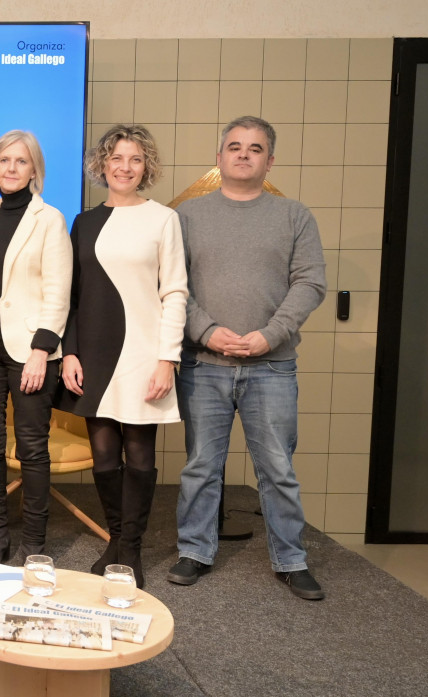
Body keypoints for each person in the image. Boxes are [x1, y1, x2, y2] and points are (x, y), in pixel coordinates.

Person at [169, 115, 327, 600]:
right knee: (201, 466)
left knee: (277, 468)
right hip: (204, 363)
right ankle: (194, 552)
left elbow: (310, 283)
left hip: (271, 366)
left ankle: (291, 559)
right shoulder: (187, 217)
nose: (243, 154)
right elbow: (174, 285)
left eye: (254, 148)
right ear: (219, 158)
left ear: (269, 161)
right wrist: (208, 331)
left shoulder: (294, 216)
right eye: (234, 146)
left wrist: (269, 335)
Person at [58, 124, 187, 589]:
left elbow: (175, 291)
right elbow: (72, 297)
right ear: (102, 165)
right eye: (117, 158)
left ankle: (130, 548)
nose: (125, 167)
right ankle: (116, 539)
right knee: (104, 454)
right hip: (93, 353)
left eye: (135, 159)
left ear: (146, 167)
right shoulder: (84, 222)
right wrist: (68, 353)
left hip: (144, 352)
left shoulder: (163, 219)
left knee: (138, 453)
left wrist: (167, 359)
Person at [0, 131, 72, 564]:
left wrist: (42, 350)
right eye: (4, 160)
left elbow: (59, 291)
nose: (11, 168)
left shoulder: (50, 219)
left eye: (21, 161)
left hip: (29, 352)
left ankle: (34, 544)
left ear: (34, 170)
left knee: (31, 446)